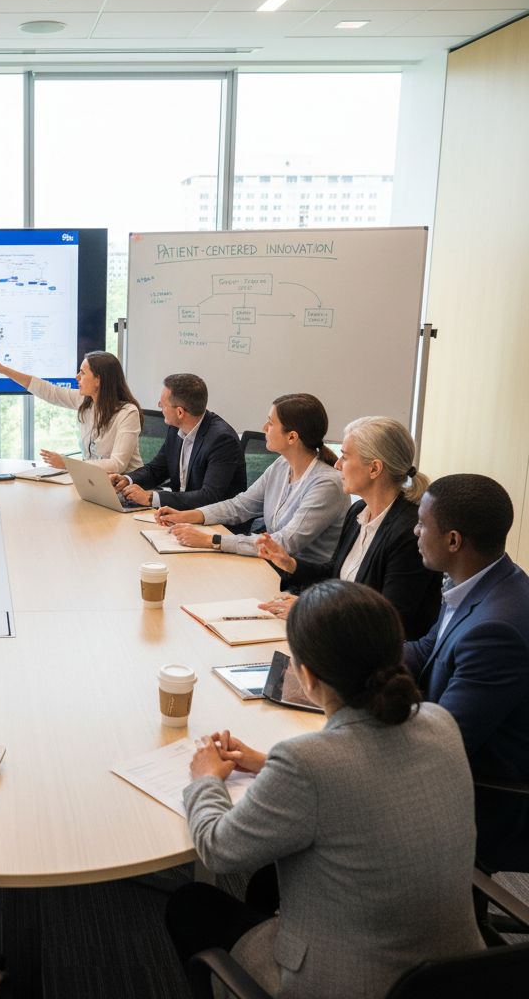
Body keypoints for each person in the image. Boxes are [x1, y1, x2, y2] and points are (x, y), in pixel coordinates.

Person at [165, 580, 483, 998]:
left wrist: (205, 777)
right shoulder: (438, 721)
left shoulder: (307, 764)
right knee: (266, 882)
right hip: (464, 977)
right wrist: (265, 763)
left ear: (307, 677)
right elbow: (365, 773)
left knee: (190, 905)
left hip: (351, 985)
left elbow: (218, 849)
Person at [404, 473, 529, 867]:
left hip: (487, 798)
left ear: (454, 540)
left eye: (423, 523)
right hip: (458, 760)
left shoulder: (497, 629)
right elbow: (426, 650)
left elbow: (441, 741)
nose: (415, 530)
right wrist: (346, 660)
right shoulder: (482, 581)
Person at [256, 416, 441, 638]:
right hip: (342, 638)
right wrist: (290, 563)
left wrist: (312, 611)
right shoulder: (358, 511)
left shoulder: (408, 532)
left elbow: (389, 619)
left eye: (345, 456)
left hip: (374, 655)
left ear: (374, 469)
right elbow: (337, 575)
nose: (337, 465)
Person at [156, 393, 348, 562]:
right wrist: (189, 515)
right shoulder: (281, 465)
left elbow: (284, 543)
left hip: (301, 585)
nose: (264, 427)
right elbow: (241, 505)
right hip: (269, 566)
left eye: (271, 423)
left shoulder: (326, 484)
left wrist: (211, 540)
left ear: (292, 437)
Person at [0, 350, 143, 473]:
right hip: (96, 484)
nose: (77, 377)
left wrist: (68, 463)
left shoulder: (127, 413)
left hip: (129, 490)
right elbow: (48, 391)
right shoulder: (86, 401)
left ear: (99, 380)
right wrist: (2, 369)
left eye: (82, 373)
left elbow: (117, 465)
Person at [108, 373, 246, 510]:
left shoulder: (222, 440)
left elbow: (209, 496)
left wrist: (151, 498)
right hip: (178, 512)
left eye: (163, 404)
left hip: (216, 522)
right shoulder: (176, 428)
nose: (159, 405)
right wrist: (127, 479)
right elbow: (156, 469)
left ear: (180, 412)